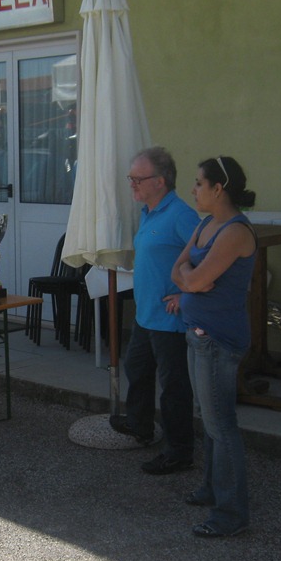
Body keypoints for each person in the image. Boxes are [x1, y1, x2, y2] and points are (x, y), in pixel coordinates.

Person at [171, 156, 257, 539]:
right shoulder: (206, 225)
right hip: (198, 335)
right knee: (209, 419)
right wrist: (192, 279)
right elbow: (178, 272)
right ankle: (211, 488)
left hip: (219, 341)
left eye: (198, 183)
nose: (193, 190)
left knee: (221, 425)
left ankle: (231, 513)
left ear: (218, 188)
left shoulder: (235, 232)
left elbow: (190, 279)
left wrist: (191, 279)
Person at [109, 147, 200, 475]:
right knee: (137, 367)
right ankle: (140, 425)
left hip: (169, 319)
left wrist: (185, 293)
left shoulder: (181, 215)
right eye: (131, 178)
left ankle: (179, 452)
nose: (132, 184)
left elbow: (209, 258)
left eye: (138, 178)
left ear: (160, 181)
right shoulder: (149, 212)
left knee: (174, 387)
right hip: (146, 315)